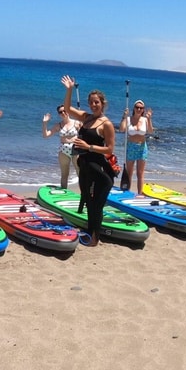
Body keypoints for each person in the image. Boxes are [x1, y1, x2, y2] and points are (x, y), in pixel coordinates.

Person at [61, 75, 116, 246]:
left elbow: (110, 149)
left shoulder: (106, 124)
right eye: (91, 102)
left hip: (99, 170)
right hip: (84, 166)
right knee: (88, 202)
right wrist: (69, 89)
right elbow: (68, 109)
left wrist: (88, 146)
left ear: (103, 103)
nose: (93, 105)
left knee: (96, 205)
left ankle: (95, 237)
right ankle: (89, 231)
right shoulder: (86, 118)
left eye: (96, 102)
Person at [118, 99, 154, 195]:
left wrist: (150, 119)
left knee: (140, 173)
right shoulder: (128, 119)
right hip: (131, 147)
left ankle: (140, 194)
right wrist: (124, 117)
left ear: (143, 110)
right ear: (134, 108)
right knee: (129, 172)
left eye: (141, 108)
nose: (138, 109)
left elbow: (150, 131)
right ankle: (127, 192)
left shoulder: (145, 120)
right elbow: (121, 129)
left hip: (142, 147)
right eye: (137, 107)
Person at [42, 105, 79, 189]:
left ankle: (84, 195)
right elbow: (45, 135)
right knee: (64, 174)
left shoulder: (76, 123)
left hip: (76, 150)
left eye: (64, 111)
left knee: (80, 173)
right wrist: (44, 123)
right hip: (63, 151)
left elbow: (85, 134)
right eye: (60, 112)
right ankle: (64, 193)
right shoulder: (58, 125)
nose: (63, 113)